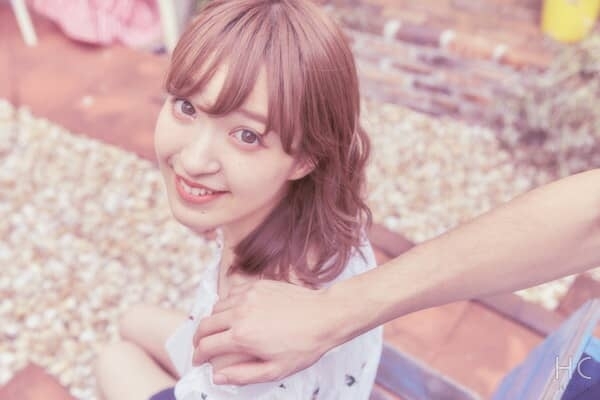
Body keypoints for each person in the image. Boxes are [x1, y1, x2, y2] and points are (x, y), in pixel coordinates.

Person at [94, 0, 385, 399]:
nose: (193, 161)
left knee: (114, 359)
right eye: (187, 106)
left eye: (246, 135)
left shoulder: (253, 341)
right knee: (133, 320)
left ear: (305, 159)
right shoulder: (328, 215)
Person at [191, 167, 600, 385]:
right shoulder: (337, 248)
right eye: (185, 105)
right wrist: (335, 311)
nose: (196, 161)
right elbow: (589, 219)